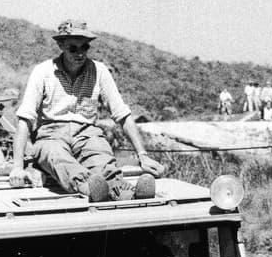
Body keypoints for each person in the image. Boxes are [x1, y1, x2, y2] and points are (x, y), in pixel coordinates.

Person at [11, 20, 164, 202]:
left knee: (102, 157)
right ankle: (89, 188)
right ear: (61, 46)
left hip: (87, 134)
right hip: (51, 135)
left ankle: (128, 192)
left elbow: (122, 114)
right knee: (57, 157)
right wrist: (17, 166)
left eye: (84, 47)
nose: (80, 53)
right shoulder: (42, 72)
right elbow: (25, 119)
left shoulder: (99, 71)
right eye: (73, 49)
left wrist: (143, 156)